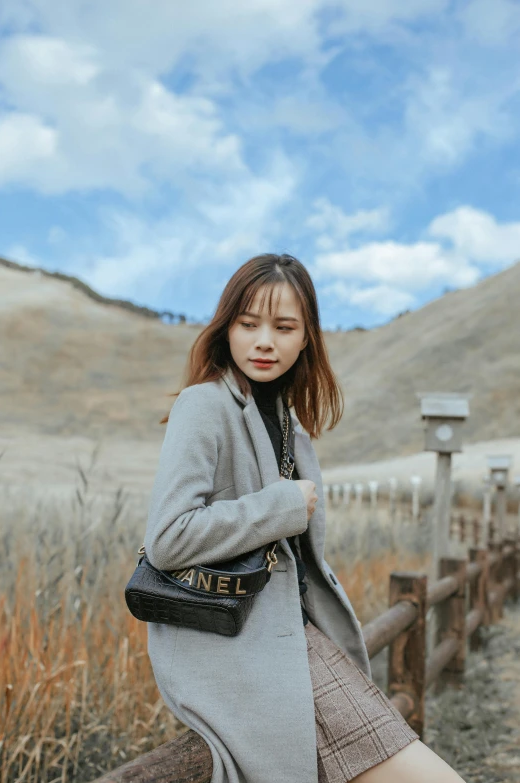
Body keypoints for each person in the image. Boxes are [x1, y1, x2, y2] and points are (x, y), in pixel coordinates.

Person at [143, 253, 467, 782]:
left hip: (297, 641)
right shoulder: (202, 406)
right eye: (248, 324)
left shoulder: (293, 425)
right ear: (227, 331)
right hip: (235, 643)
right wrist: (281, 507)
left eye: (283, 326)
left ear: (306, 338)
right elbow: (168, 537)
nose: (264, 341)